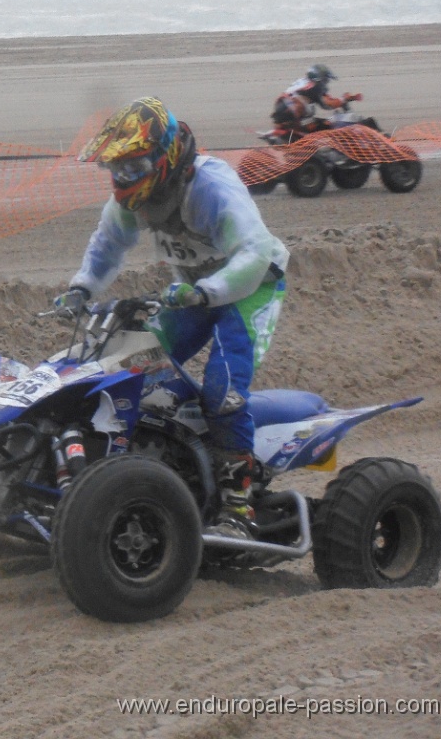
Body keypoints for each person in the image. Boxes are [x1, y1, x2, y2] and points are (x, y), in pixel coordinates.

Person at [54, 97, 289, 537]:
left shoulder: (213, 189)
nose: (123, 180)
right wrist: (80, 288)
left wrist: (207, 292)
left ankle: (238, 509)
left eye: (132, 167)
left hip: (248, 290)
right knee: (133, 364)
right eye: (117, 170)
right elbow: (107, 248)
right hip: (191, 294)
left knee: (222, 391)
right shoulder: (131, 201)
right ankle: (145, 462)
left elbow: (254, 254)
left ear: (164, 157)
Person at [271, 63, 363, 134]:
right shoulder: (314, 86)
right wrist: (344, 98)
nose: (326, 83)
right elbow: (329, 104)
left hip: (281, 113)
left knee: (317, 122)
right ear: (319, 79)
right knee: (328, 124)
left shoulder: (303, 83)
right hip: (293, 114)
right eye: (325, 80)